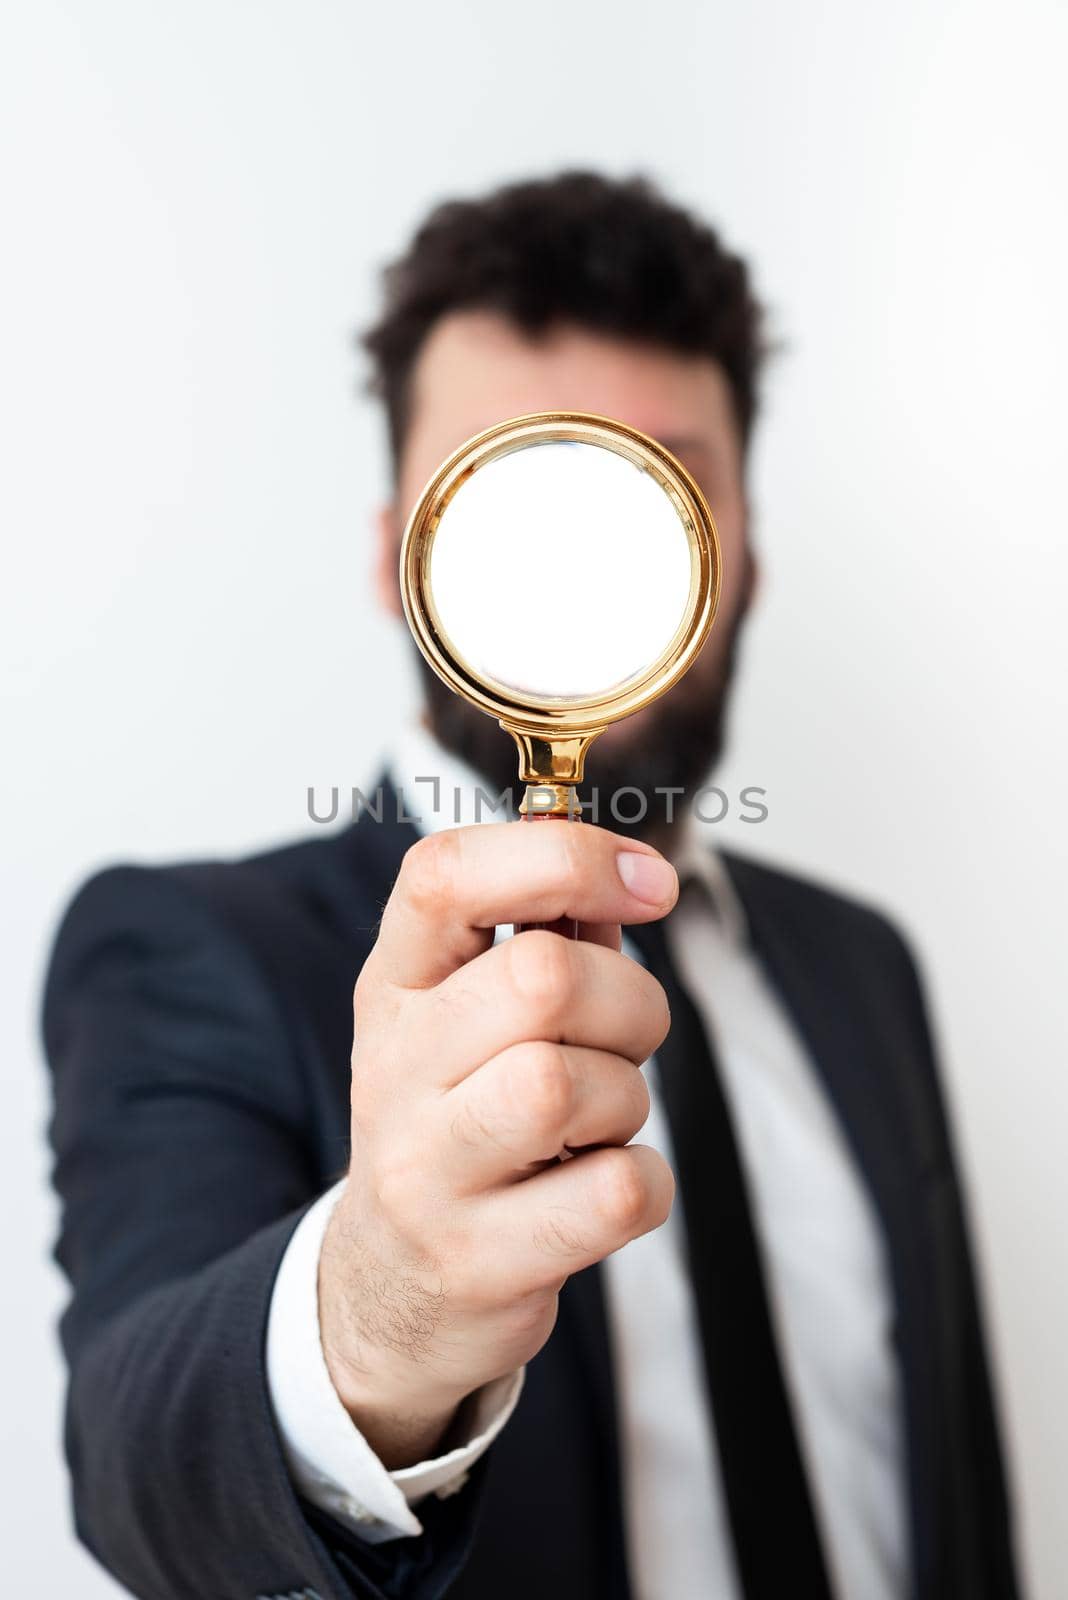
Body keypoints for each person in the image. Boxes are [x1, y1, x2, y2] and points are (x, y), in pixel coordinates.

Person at [42, 171, 1021, 1600]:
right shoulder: (189, 950)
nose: (586, 572)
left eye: (667, 491)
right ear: (399, 561)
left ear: (742, 551)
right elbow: (142, 1468)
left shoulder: (860, 965)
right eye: (512, 499)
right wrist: (377, 1311)